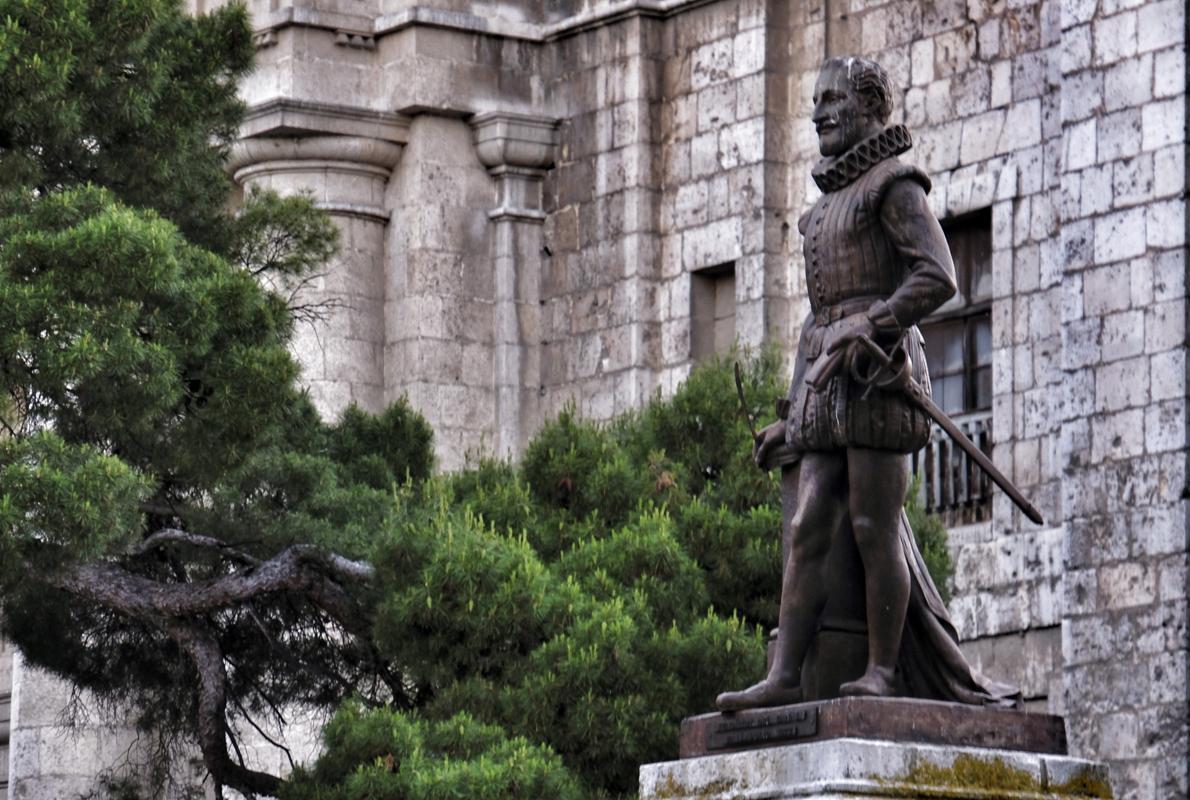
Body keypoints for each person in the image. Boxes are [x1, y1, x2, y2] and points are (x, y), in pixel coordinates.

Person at [716, 57, 1015, 710]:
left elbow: (938, 275)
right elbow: (816, 320)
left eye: (832, 99)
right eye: (814, 101)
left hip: (880, 374)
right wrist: (791, 417)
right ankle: (787, 674)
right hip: (825, 379)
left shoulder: (895, 184)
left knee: (872, 524)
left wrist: (874, 323)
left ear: (871, 107)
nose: (819, 111)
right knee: (807, 525)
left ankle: (882, 669)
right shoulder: (824, 209)